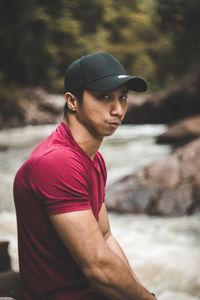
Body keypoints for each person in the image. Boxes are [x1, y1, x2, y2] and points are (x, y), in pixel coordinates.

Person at [14, 52, 156, 300]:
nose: (118, 109)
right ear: (72, 101)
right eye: (104, 97)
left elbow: (106, 237)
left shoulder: (93, 159)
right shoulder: (57, 162)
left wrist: (145, 294)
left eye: (122, 97)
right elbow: (98, 267)